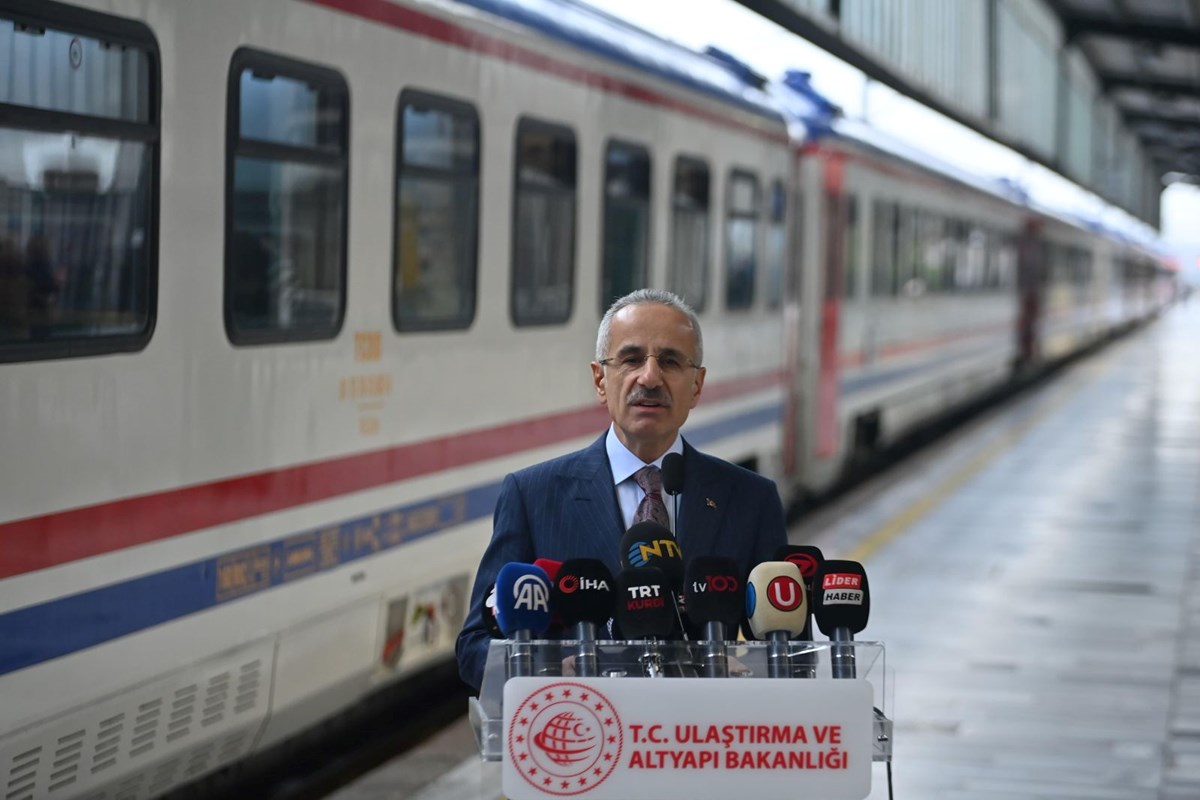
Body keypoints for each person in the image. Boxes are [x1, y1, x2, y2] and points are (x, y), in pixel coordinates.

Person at [455, 288, 788, 691]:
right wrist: (545, 675)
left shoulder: (750, 500)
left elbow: (787, 647)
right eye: (631, 359)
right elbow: (475, 647)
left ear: (697, 386)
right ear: (600, 379)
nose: (649, 378)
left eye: (670, 361)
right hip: (585, 737)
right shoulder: (532, 496)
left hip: (704, 745)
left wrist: (749, 670)